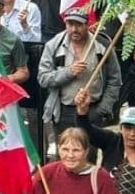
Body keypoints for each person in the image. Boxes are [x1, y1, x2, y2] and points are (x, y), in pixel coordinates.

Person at [38, 10, 122, 141]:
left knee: (89, 156)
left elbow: (115, 80)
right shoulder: (54, 45)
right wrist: (69, 72)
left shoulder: (102, 46)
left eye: (79, 25)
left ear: (87, 24)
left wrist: (102, 109)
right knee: (66, 156)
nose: (74, 29)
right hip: (63, 111)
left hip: (92, 111)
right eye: (70, 24)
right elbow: (43, 78)